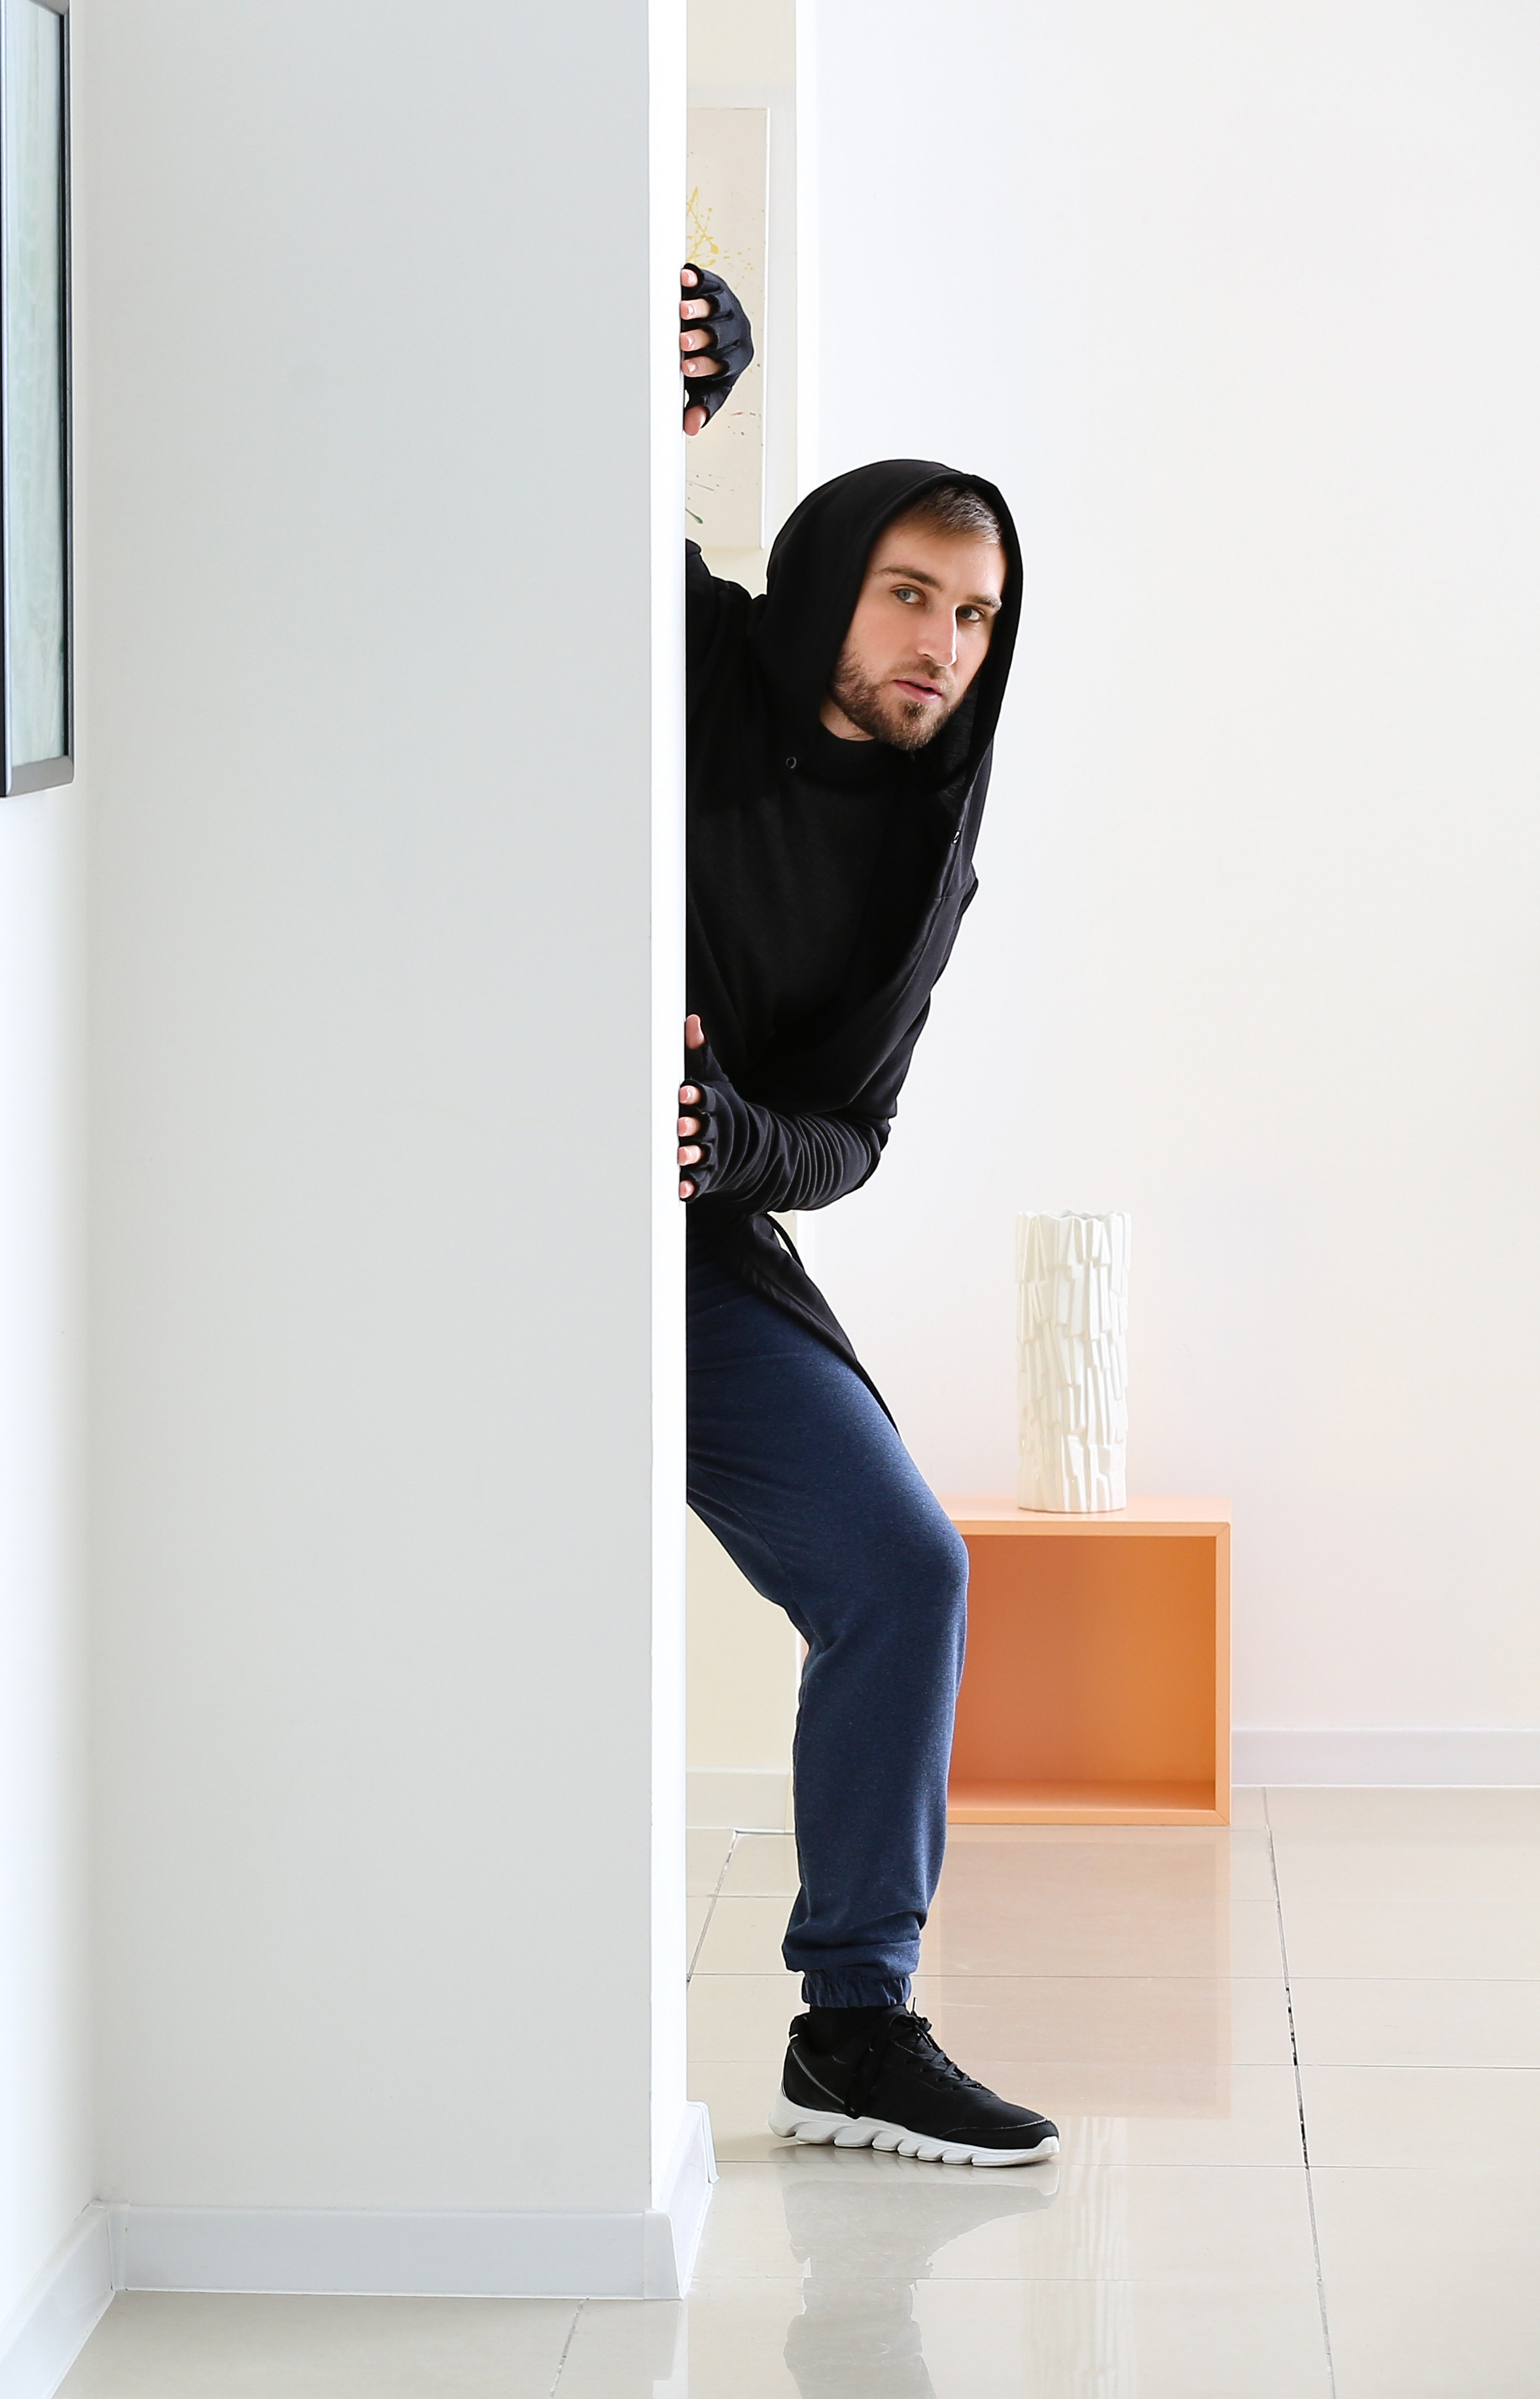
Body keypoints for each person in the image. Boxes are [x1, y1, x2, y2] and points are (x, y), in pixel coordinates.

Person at [673, 267, 1057, 2167]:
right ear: (833, 582)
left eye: (975, 616)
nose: (940, 644)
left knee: (904, 1567)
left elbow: (850, 1135)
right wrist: (693, 346)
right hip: (466, 1213)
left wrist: (722, 1141)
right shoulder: (690, 662)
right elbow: (572, 498)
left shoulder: (927, 851)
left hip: (691, 1252)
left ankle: (853, 2024)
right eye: (910, 592)